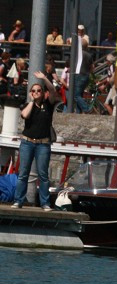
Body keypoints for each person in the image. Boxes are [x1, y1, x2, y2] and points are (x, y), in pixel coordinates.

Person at [12, 72, 60, 211]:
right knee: (23, 174)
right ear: (30, 93)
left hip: (43, 144)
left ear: (43, 93)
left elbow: (53, 90)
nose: (36, 92)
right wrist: (32, 101)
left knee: (43, 175)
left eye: (39, 90)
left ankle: (45, 203)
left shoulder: (48, 105)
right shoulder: (28, 105)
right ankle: (18, 201)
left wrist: (44, 78)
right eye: (33, 91)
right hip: (27, 143)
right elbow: (24, 115)